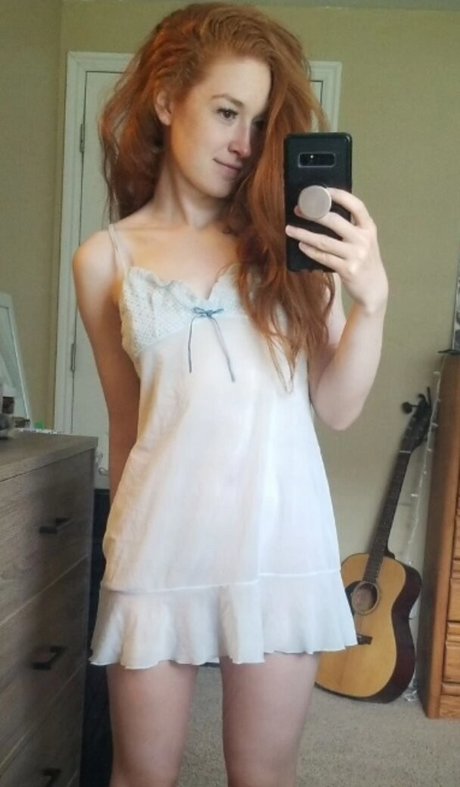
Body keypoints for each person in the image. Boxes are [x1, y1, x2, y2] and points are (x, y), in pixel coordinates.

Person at [73, 3, 388, 786]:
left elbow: (339, 407)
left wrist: (372, 301)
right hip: (157, 542)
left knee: (263, 772)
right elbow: (127, 425)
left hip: (279, 544)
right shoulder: (104, 258)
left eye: (258, 121)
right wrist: (119, 555)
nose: (245, 142)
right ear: (165, 99)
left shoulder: (287, 245)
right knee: (140, 773)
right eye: (225, 111)